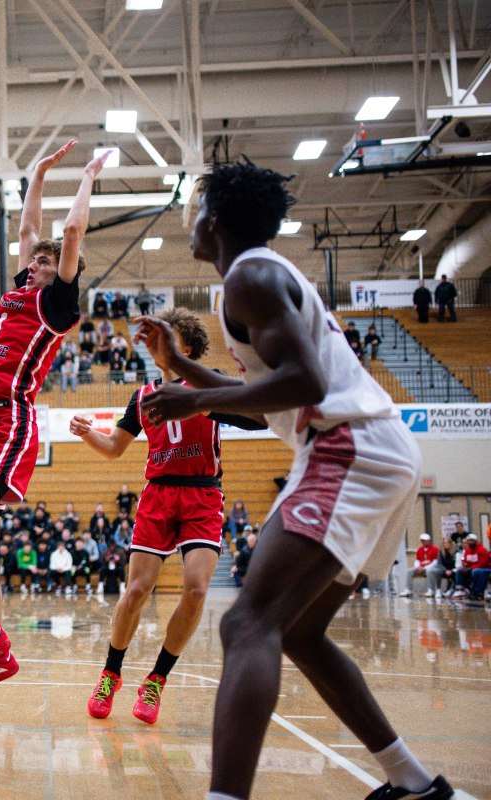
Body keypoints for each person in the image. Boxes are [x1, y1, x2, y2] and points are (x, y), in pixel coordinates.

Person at [137, 160, 451, 800]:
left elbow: (304, 382)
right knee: (298, 631)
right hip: (376, 449)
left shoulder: (249, 275)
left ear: (214, 219)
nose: (190, 221)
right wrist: (182, 368)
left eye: (196, 210)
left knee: (245, 624)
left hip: (348, 448)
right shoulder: (257, 278)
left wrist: (194, 403)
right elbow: (263, 391)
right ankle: (414, 783)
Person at [0, 142, 111, 699]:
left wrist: (84, 178)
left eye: (45, 261)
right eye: (34, 260)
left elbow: (71, 232)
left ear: (60, 272)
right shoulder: (15, 291)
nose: (34, 262)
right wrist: (37, 173)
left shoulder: (56, 305)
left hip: (11, 420)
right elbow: (29, 227)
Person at [72, 307, 264, 725]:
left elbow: (254, 419)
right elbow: (114, 448)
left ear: (187, 347)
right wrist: (88, 433)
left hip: (202, 495)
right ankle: (111, 672)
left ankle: (156, 679)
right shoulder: (142, 397)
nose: (158, 341)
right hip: (158, 495)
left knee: (195, 591)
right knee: (137, 590)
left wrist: (213, 400)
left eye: (168, 336)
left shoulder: (206, 384)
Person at [452, 533, 490, 600]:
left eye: (472, 541)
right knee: (459, 571)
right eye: (468, 541)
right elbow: (466, 561)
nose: (470, 542)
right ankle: (460, 590)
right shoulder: (467, 550)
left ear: (475, 541)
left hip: (484, 568)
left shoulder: (482, 550)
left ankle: (477, 592)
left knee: (475, 571)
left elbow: (483, 563)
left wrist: (470, 568)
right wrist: (465, 566)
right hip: (472, 568)